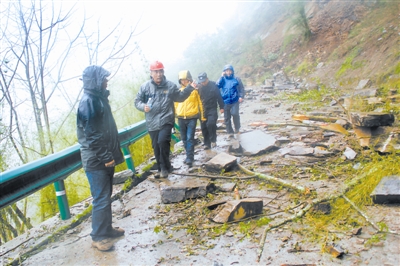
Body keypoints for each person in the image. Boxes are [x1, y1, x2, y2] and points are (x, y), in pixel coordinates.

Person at [77, 65, 125, 252]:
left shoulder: (98, 99)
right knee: (100, 198)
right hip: (96, 159)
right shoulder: (89, 101)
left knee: (106, 196)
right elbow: (93, 134)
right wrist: (106, 156)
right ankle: (98, 237)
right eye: (104, 78)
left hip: (103, 156)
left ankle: (107, 229)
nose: (107, 81)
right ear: (96, 81)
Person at [135, 61, 195, 178]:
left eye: (160, 71)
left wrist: (189, 89)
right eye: (156, 72)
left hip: (166, 120)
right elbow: (137, 101)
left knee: (162, 141)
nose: (158, 74)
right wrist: (143, 107)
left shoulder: (170, 86)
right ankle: (165, 166)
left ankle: (163, 168)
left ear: (163, 72)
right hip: (151, 122)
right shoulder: (145, 87)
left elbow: (180, 97)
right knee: (156, 147)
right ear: (151, 73)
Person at [174, 70, 205, 167]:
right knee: (184, 138)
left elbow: (200, 103)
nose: (184, 82)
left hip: (192, 117)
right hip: (181, 118)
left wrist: (202, 116)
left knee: (190, 137)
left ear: (189, 80)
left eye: (186, 80)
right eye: (182, 80)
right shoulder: (178, 91)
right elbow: (175, 104)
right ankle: (188, 155)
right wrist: (174, 115)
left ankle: (189, 158)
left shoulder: (195, 90)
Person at [197, 72, 224, 149]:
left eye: (204, 81)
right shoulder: (198, 87)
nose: (203, 83)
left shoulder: (214, 85)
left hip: (212, 108)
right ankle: (206, 143)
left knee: (211, 124)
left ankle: (213, 139)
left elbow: (219, 97)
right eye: (201, 82)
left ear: (207, 79)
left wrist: (222, 107)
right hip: (202, 110)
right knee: (204, 127)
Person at [216, 64, 245, 136]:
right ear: (224, 72)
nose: (228, 72)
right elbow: (217, 85)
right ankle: (230, 132)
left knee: (235, 114)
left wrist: (241, 96)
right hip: (225, 101)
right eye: (227, 71)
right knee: (227, 117)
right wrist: (221, 76)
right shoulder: (222, 79)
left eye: (230, 71)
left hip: (235, 100)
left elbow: (241, 88)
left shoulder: (236, 79)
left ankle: (237, 128)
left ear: (232, 71)